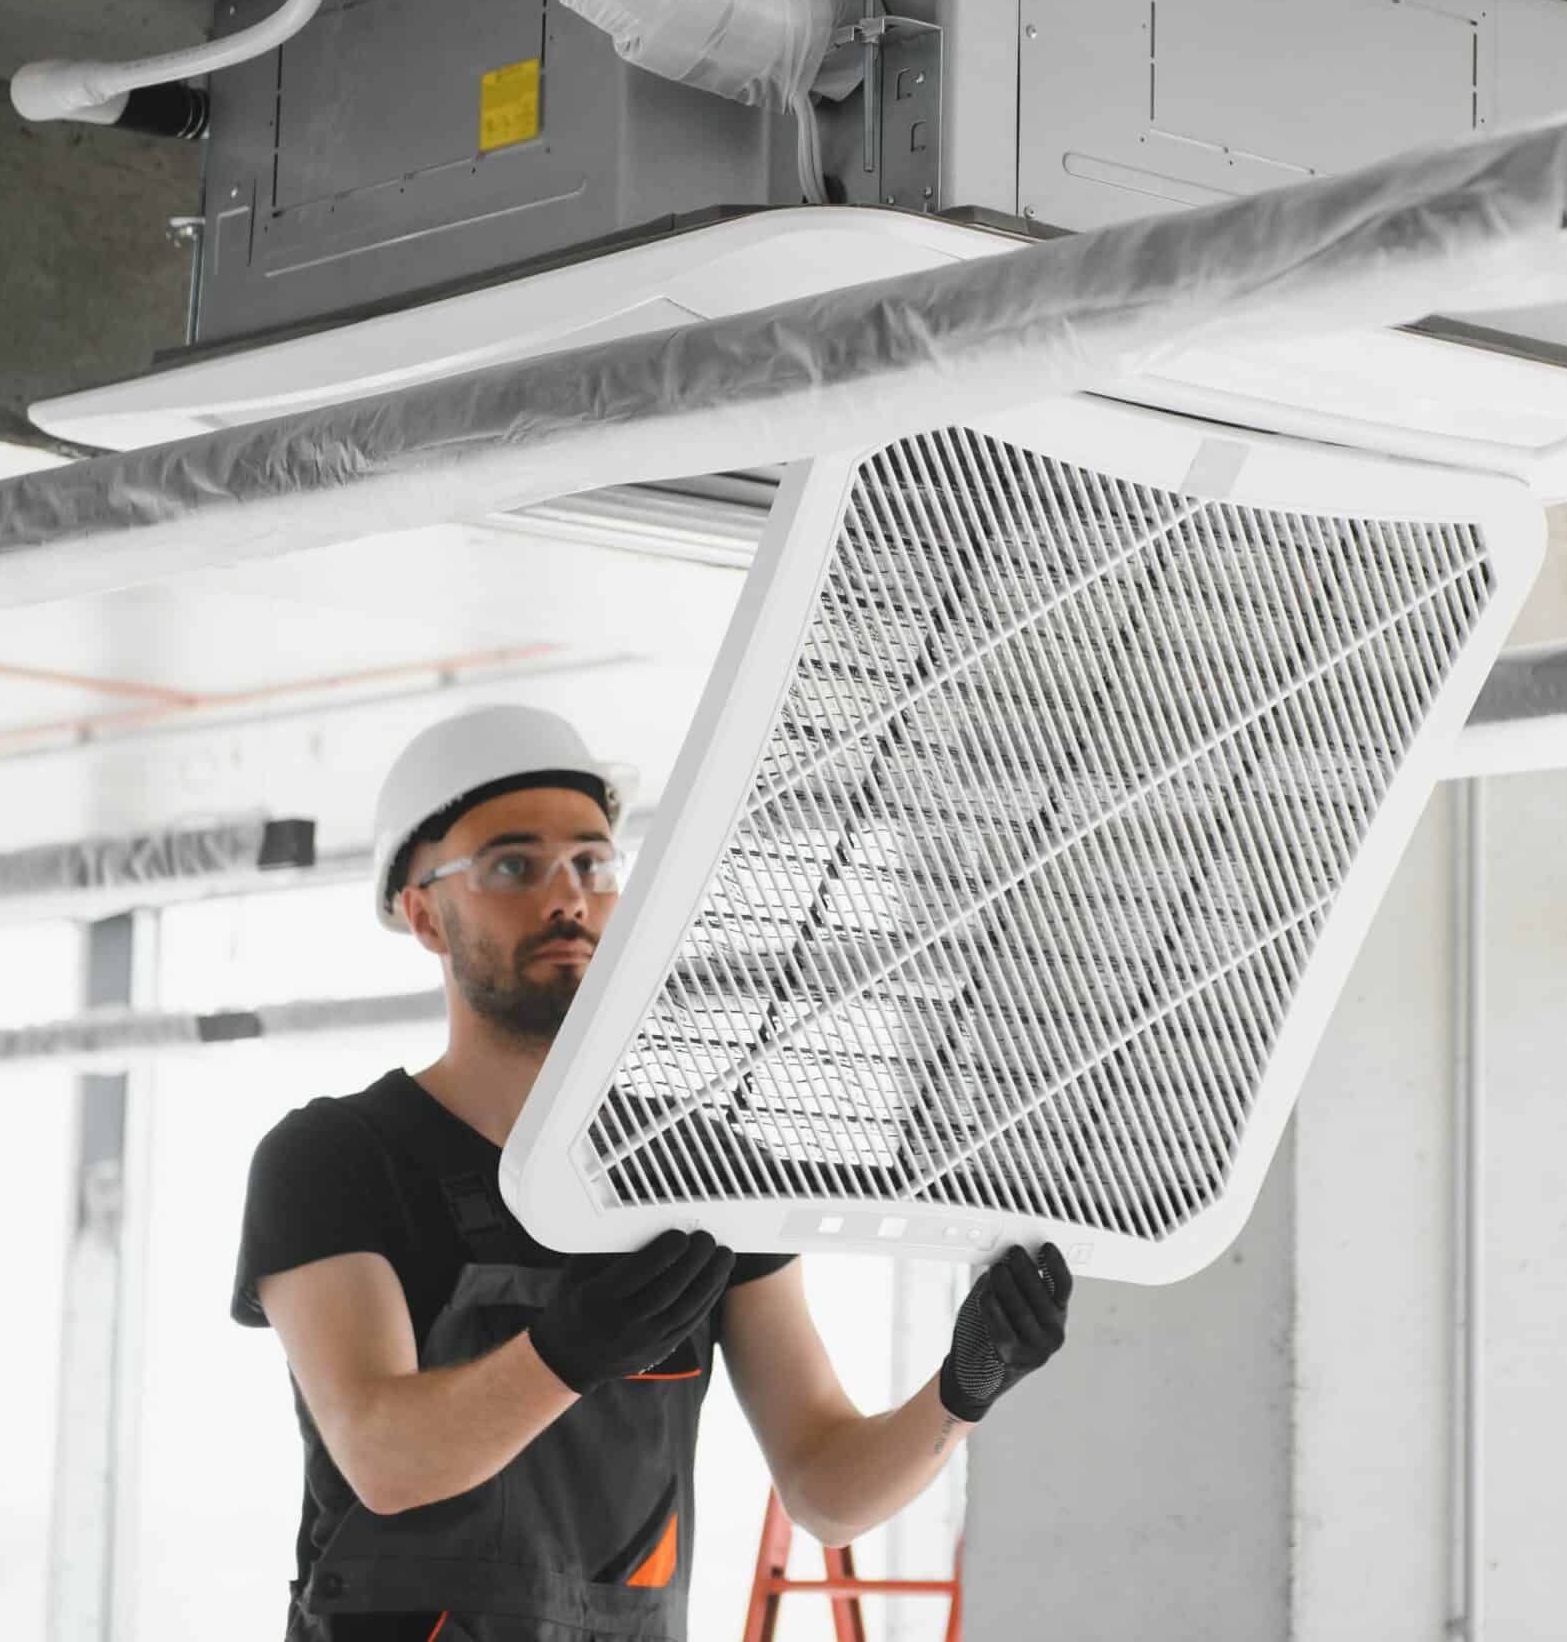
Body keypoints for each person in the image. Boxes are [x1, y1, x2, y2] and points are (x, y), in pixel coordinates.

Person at [232, 704, 1074, 1642]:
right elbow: (384, 1456)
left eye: (593, 862)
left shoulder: (697, 1171)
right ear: (425, 912)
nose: (569, 897)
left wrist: (962, 1388)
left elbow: (825, 1486)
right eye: (513, 865)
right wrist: (566, 1351)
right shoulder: (334, 1159)